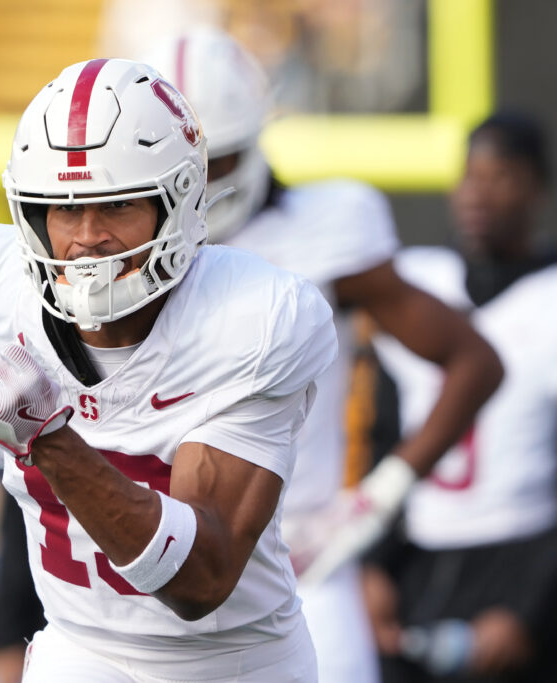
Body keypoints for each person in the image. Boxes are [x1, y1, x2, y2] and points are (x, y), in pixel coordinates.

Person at [0, 57, 339, 682]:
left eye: (117, 205)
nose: (86, 237)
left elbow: (200, 581)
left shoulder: (255, 318)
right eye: (62, 209)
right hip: (78, 649)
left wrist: (47, 438)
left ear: (181, 201)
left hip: (233, 661)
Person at [142, 28, 503, 683]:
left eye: (213, 159)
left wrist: (377, 498)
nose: (197, 184)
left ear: (254, 138)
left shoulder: (325, 231)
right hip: (148, 567)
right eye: (177, 165)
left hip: (298, 561)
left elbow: (474, 360)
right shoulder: (103, 251)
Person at [362, 111, 557, 682]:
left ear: (537, 189)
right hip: (416, 559)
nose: (477, 193)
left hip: (522, 552)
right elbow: (385, 438)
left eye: (500, 177)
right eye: (469, 175)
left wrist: (531, 608)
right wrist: (373, 565)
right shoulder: (420, 283)